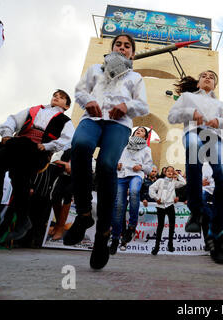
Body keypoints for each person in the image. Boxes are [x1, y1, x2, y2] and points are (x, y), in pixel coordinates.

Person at [63, 33, 149, 270]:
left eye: (127, 46)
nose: (122, 48)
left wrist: (126, 105)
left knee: (107, 166)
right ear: (111, 49)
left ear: (132, 53)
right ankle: (83, 214)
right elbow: (80, 91)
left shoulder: (135, 77)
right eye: (118, 44)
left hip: (118, 125)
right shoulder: (94, 70)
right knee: (79, 147)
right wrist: (89, 100)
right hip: (92, 119)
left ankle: (103, 232)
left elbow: (143, 105)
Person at [168, 70, 223, 264]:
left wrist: (218, 122)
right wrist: (191, 113)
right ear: (198, 83)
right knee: (194, 147)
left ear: (214, 85)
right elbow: (172, 116)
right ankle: (196, 211)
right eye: (204, 75)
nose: (207, 78)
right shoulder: (187, 97)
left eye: (212, 77)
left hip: (214, 136)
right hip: (194, 132)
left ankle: (215, 234)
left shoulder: (220, 104)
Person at [0, 90, 74, 242]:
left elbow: (68, 139)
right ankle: (21, 219)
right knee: (19, 180)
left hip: (37, 151)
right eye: (55, 96)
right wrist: (6, 134)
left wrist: (48, 146)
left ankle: (21, 220)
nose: (56, 98)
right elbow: (13, 120)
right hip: (17, 145)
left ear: (66, 106)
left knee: (21, 176)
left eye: (61, 98)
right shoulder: (34, 110)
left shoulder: (65, 120)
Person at [110, 126, 153, 255]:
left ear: (145, 137)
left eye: (142, 131)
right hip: (121, 175)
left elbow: (149, 168)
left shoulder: (147, 149)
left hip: (136, 174)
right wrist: (116, 163)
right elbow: (116, 158)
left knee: (134, 192)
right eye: (137, 130)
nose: (138, 131)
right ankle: (115, 239)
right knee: (118, 206)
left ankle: (132, 226)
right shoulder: (124, 145)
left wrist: (141, 166)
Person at [148, 166, 186, 255]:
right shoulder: (160, 181)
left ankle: (170, 244)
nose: (170, 172)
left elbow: (184, 182)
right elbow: (151, 189)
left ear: (173, 173)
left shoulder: (174, 182)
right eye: (168, 171)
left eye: (172, 171)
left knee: (172, 226)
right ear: (165, 172)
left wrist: (177, 174)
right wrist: (156, 198)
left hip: (170, 205)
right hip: (161, 206)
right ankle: (156, 247)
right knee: (160, 226)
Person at [49, 148, 73, 241]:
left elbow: (92, 168)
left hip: (76, 178)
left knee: (67, 195)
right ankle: (59, 226)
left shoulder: (86, 152)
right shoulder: (67, 149)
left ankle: (59, 228)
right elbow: (54, 159)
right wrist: (65, 164)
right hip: (63, 176)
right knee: (55, 196)